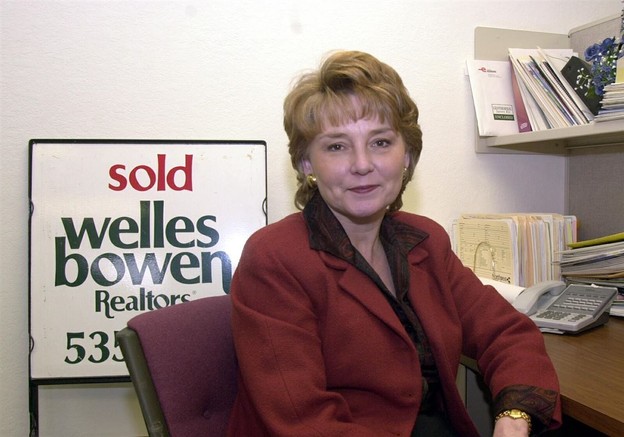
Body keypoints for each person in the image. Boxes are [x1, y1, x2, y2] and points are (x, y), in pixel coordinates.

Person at [226, 50, 561, 436]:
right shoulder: (274, 258)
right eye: (336, 146)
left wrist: (514, 417)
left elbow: (505, 332)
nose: (362, 164)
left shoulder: (424, 242)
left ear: (407, 155)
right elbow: (304, 421)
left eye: (381, 142)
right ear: (306, 164)